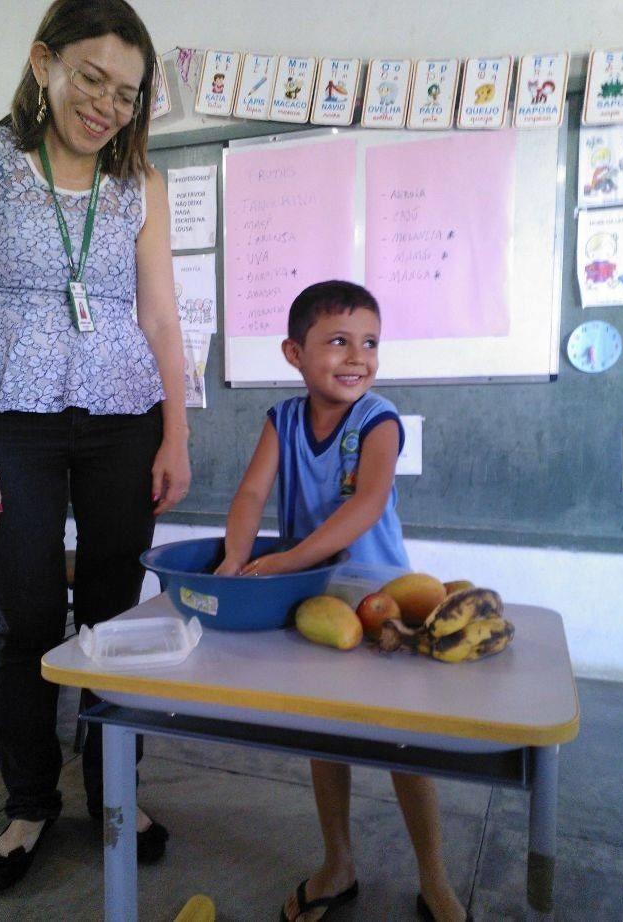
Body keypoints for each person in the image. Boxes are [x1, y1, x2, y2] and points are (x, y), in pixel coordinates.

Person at [0, 0, 190, 893]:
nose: (106, 105)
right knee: (29, 621)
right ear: (44, 62)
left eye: (127, 93)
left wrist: (176, 431)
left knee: (118, 619)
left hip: (125, 417)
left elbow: (161, 317)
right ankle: (30, 803)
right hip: (10, 419)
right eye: (91, 78)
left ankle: (115, 787)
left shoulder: (140, 183)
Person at [215, 281, 471, 922]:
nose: (358, 356)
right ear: (293, 353)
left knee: (401, 745)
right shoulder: (281, 420)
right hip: (314, 602)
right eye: (337, 341)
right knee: (325, 736)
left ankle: (435, 880)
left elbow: (367, 505)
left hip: (385, 602)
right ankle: (338, 865)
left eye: (370, 342)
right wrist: (234, 559)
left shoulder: (377, 419)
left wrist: (287, 558)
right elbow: (249, 496)